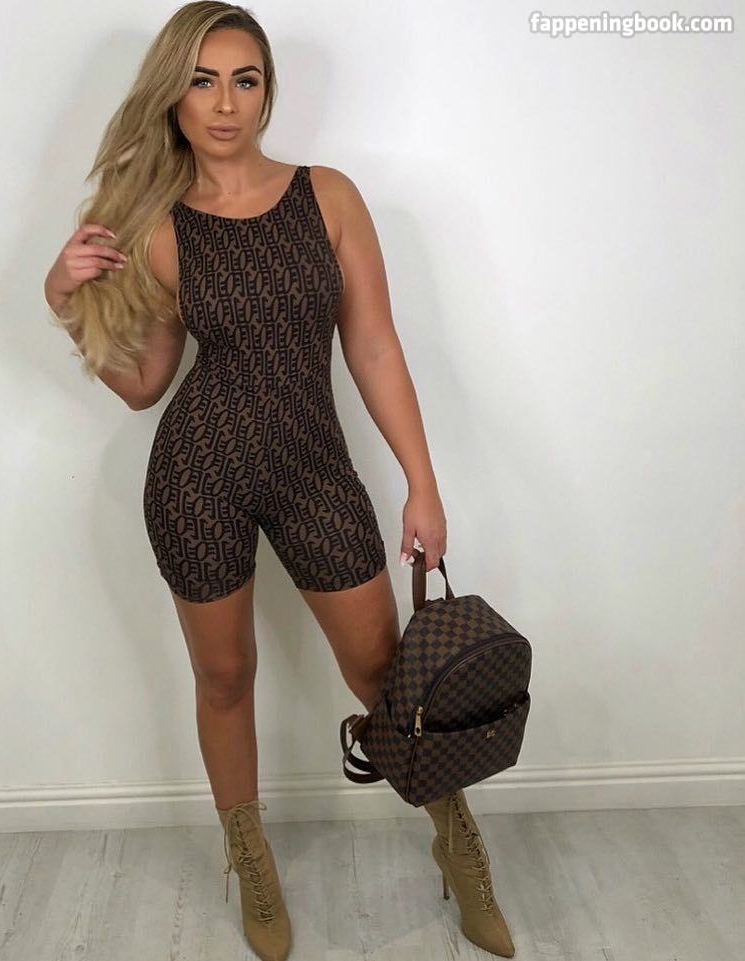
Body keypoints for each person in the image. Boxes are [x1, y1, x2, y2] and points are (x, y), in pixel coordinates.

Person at [43, 3, 514, 959]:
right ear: (174, 95)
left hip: (313, 470)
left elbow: (373, 346)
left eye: (244, 79)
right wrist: (62, 299)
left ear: (267, 92)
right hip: (198, 475)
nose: (224, 103)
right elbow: (146, 386)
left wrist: (422, 483)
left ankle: (454, 833)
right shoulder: (157, 225)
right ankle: (249, 856)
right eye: (203, 81)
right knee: (225, 676)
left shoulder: (327, 196)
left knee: (385, 673)